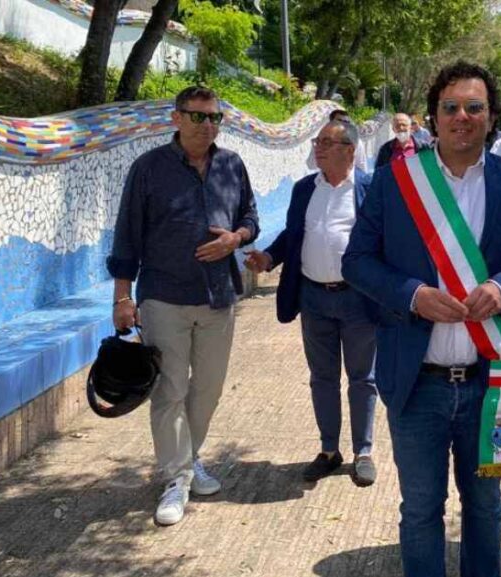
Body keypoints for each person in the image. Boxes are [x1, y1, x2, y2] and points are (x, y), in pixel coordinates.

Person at [342, 62, 501, 577]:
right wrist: (413, 294)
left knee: (485, 508)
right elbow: (357, 261)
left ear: (491, 116)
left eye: (474, 107)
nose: (462, 117)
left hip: (493, 384)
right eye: (451, 107)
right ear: (433, 116)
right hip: (418, 384)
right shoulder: (397, 180)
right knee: (420, 510)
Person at [108, 85, 259, 526]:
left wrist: (235, 239)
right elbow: (127, 235)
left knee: (208, 387)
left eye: (215, 118)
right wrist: (123, 297)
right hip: (163, 297)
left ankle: (189, 459)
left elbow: (250, 217)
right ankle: (176, 477)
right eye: (198, 116)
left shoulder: (232, 165)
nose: (208, 125)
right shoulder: (149, 168)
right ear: (176, 118)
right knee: (170, 389)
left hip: (218, 296)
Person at [245, 120, 378, 486]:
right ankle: (329, 450)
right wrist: (269, 258)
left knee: (362, 378)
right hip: (314, 298)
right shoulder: (305, 188)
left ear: (349, 150)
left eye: (327, 142)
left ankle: (363, 452)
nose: (318, 148)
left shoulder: (370, 189)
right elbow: (293, 235)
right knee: (322, 377)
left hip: (358, 299)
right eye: (317, 141)